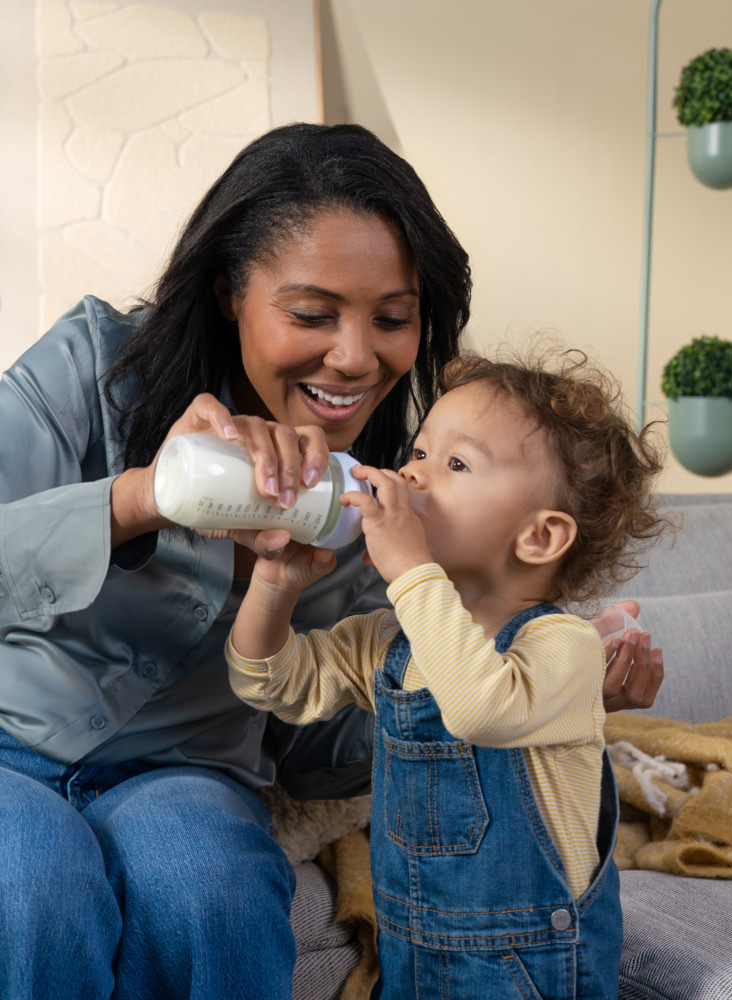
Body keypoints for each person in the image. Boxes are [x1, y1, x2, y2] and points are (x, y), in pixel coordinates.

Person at [0, 123, 660, 1000]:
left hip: (184, 772)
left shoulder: (393, 491)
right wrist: (142, 497)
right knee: (31, 891)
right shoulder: (94, 368)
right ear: (231, 290)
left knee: (214, 893)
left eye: (393, 318)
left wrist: (538, 687)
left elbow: (320, 733)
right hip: (10, 746)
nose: (355, 357)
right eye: (311, 314)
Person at [225, 351, 671, 1000]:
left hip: (527, 973)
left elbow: (480, 708)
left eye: (455, 464)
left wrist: (408, 566)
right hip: (412, 957)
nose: (412, 475)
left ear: (540, 538)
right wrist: (275, 583)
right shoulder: (392, 642)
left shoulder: (563, 648)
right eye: (420, 451)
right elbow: (268, 682)